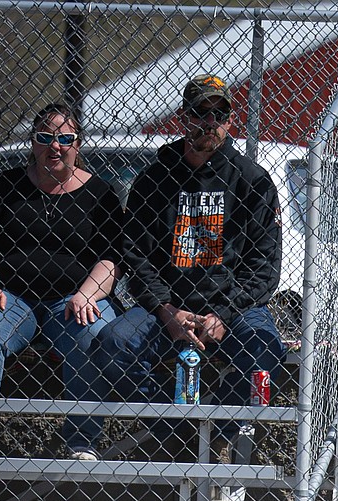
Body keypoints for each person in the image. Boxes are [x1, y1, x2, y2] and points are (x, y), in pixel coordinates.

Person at [93, 74, 284, 456]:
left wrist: (224, 314)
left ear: (230, 121)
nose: (210, 122)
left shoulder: (252, 181)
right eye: (202, 112)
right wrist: (166, 311)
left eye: (220, 113)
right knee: (111, 346)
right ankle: (175, 430)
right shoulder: (155, 179)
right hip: (167, 305)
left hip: (234, 306)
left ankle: (215, 430)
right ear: (185, 117)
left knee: (266, 355)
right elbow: (136, 253)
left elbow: (265, 265)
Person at [0, 103, 122, 458]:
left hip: (69, 299)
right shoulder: (5, 187)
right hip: (11, 297)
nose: (56, 146)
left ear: (78, 144)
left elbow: (111, 259)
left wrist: (87, 294)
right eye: (45, 137)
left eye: (65, 138)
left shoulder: (101, 195)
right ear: (33, 143)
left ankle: (81, 441)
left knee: (95, 334)